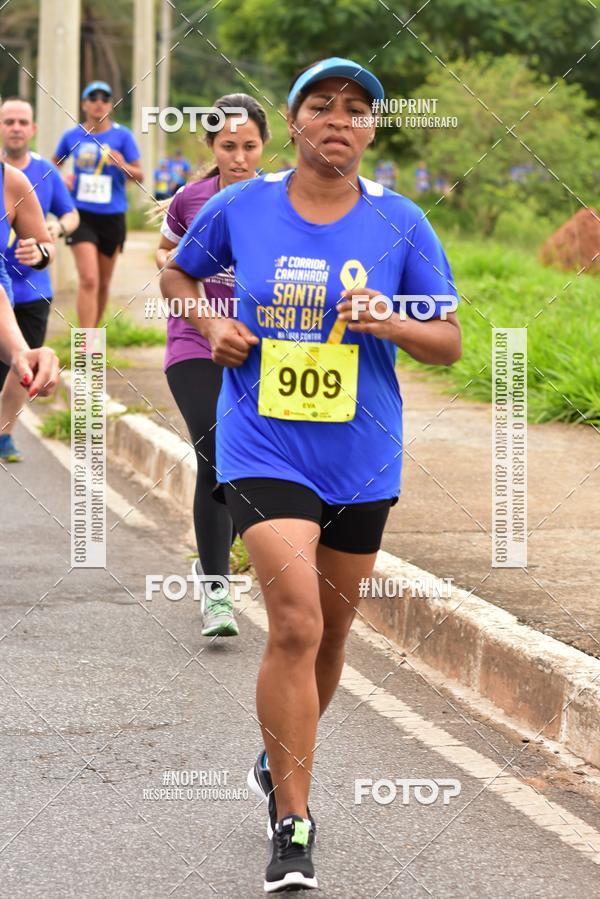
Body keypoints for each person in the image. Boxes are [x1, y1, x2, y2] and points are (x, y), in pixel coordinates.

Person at [162, 57, 461, 893]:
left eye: (357, 109)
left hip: (360, 454)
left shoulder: (402, 220)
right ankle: (293, 820)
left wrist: (392, 320)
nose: (339, 118)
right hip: (263, 443)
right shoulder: (242, 206)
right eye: (322, 105)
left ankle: (277, 756)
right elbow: (177, 272)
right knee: (293, 621)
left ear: (372, 129)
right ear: (293, 122)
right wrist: (209, 322)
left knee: (330, 635)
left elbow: (448, 341)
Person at [156, 93, 270, 637]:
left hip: (259, 347)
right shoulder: (191, 198)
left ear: (264, 146)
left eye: (249, 146)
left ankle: (222, 556)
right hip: (195, 341)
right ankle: (217, 592)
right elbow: (164, 252)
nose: (239, 157)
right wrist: (182, 268)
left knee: (248, 461)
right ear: (211, 146)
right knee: (215, 448)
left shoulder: (281, 200)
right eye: (228, 146)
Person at [0, 97, 79, 461]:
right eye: (9, 121)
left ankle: (4, 434)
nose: (15, 128)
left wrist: (43, 249)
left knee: (22, 365)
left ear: (32, 129)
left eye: (22, 122)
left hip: (28, 290)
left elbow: (58, 229)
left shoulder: (24, 179)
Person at [52, 80, 144, 327]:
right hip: (80, 215)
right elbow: (52, 166)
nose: (99, 103)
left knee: (102, 283)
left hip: (112, 216)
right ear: (84, 104)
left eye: (104, 99)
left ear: (110, 105)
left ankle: (93, 337)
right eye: (93, 98)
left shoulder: (122, 136)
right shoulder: (72, 136)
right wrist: (62, 181)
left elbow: (140, 176)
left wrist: (123, 165)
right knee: (89, 279)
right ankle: (85, 344)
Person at [0, 155, 58, 459]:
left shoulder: (13, 181)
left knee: (16, 367)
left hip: (18, 297)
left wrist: (40, 254)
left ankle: (4, 433)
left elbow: (46, 243)